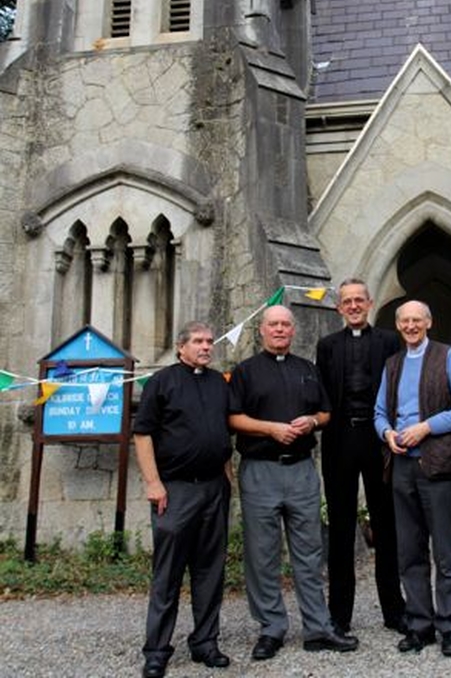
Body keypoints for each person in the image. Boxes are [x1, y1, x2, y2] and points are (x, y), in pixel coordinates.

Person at [228, 304, 358, 661]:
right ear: (262, 331)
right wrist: (270, 428)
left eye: (286, 325)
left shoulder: (308, 370)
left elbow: (326, 412)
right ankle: (271, 628)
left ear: (293, 331)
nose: (281, 330)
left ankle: (317, 627)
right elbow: (234, 417)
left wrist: (311, 423)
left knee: (310, 551)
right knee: (262, 554)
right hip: (260, 470)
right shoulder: (245, 372)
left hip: (301, 470)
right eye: (274, 325)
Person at [374, 300, 451, 658]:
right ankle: (420, 625)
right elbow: (379, 413)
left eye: (417, 320)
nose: (411, 326)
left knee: (444, 552)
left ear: (429, 323)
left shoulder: (448, 357)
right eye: (404, 321)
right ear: (398, 325)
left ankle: (450, 627)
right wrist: (387, 433)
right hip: (401, 467)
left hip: (438, 465)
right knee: (409, 552)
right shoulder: (393, 364)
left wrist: (425, 428)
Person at [133, 322, 232, 678]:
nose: (206, 347)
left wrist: (227, 478)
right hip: (174, 491)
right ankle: (157, 650)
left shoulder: (219, 383)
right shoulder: (161, 382)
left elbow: (220, 433)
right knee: (168, 573)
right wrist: (153, 483)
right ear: (181, 347)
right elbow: (142, 435)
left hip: (213, 489)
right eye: (198, 342)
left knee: (210, 571)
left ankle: (205, 642)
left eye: (209, 342)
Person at [316, 278, 405, 635]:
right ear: (339, 308)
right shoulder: (326, 346)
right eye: (346, 301)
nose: (353, 306)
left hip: (378, 437)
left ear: (369, 304)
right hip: (340, 439)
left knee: (386, 525)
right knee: (340, 528)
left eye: (359, 300)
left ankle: (394, 611)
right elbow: (321, 393)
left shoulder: (388, 341)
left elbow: (397, 387)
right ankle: (339, 614)